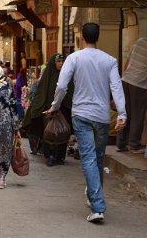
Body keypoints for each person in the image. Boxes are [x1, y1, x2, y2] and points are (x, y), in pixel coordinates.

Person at [45, 23, 127, 223]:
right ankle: (94, 197)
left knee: (89, 158)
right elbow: (116, 87)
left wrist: (55, 105)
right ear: (97, 37)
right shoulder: (110, 60)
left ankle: (98, 206)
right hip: (101, 116)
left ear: (81, 36)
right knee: (97, 157)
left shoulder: (74, 58)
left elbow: (62, 85)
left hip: (81, 114)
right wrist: (122, 113)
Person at [23, 54, 74, 166]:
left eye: (62, 61)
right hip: (48, 110)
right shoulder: (48, 76)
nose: (61, 63)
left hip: (63, 110)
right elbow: (41, 93)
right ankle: (50, 155)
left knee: (62, 132)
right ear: (53, 63)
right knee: (49, 133)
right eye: (59, 61)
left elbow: (69, 92)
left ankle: (60, 156)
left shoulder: (66, 76)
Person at [0, 64, 19, 189]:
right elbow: (13, 107)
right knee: (5, 151)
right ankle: (1, 179)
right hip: (6, 124)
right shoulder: (8, 87)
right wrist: (16, 127)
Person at [116, 37, 147, 153]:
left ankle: (121, 144)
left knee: (125, 113)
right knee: (137, 114)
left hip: (126, 80)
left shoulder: (139, 41)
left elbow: (127, 63)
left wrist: (125, 77)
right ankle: (134, 144)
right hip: (139, 84)